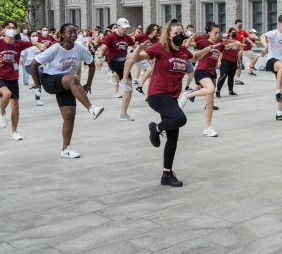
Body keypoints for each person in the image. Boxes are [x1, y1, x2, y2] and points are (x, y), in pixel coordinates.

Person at [126, 20, 216, 186]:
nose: (179, 36)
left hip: (172, 96)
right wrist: (139, 47)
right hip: (158, 94)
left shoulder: (183, 51)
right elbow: (136, 58)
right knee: (180, 119)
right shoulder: (160, 48)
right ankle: (156, 128)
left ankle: (166, 174)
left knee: (173, 137)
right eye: (176, 33)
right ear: (168, 35)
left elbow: (194, 56)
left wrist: (208, 49)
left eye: (181, 33)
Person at [30, 24, 104, 158]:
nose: (73, 35)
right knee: (72, 79)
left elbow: (91, 65)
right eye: (70, 33)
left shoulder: (80, 49)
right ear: (62, 35)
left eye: (75, 32)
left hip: (67, 84)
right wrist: (37, 83)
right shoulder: (55, 48)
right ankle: (91, 108)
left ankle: (66, 149)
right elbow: (34, 64)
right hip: (50, 81)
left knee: (69, 116)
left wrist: (88, 84)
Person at [0, 20, 44, 140]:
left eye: (13, 27)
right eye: (9, 27)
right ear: (4, 30)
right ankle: (1, 112)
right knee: (7, 94)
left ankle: (14, 132)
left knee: (15, 105)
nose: (11, 29)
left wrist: (42, 51)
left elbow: (36, 44)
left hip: (13, 76)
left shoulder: (19, 43)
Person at [179, 24, 240, 136]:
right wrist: (190, 38)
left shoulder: (218, 45)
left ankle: (207, 128)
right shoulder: (203, 42)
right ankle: (187, 95)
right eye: (215, 33)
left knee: (210, 102)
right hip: (201, 70)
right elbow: (187, 45)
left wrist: (235, 43)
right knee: (211, 89)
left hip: (211, 72)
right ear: (209, 33)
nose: (217, 35)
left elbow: (225, 47)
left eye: (218, 33)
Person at [98, 18, 136, 121]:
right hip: (113, 61)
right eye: (123, 27)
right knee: (131, 55)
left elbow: (135, 47)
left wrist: (145, 53)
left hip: (124, 65)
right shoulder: (111, 36)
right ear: (117, 26)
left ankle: (123, 114)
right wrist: (99, 59)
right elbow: (102, 49)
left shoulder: (127, 37)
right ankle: (123, 80)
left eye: (126, 28)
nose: (125, 30)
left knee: (129, 89)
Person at [20, 31, 44, 106]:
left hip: (39, 65)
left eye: (36, 35)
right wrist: (21, 58)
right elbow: (21, 54)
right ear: (29, 37)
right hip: (29, 66)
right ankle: (35, 87)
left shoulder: (41, 45)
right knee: (39, 75)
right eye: (33, 36)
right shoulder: (26, 46)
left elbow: (44, 54)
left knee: (40, 81)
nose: (35, 37)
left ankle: (38, 100)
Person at [216, 28, 241, 98]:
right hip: (225, 60)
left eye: (235, 32)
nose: (234, 34)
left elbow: (237, 53)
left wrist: (239, 62)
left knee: (231, 76)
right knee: (223, 75)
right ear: (229, 33)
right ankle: (218, 91)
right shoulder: (226, 41)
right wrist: (219, 61)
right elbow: (221, 52)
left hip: (234, 61)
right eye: (233, 32)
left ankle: (231, 91)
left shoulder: (236, 42)